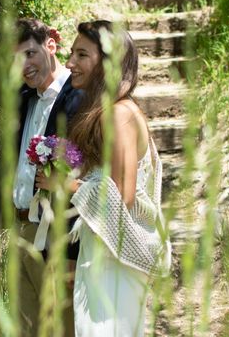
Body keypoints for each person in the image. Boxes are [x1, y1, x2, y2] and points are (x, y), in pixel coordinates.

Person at [37, 20, 171, 336]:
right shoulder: (109, 111)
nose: (70, 64)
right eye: (71, 54)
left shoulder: (121, 114)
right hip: (104, 248)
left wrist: (65, 185)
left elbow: (122, 196)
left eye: (82, 55)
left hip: (116, 257)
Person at [0, 18, 83, 337]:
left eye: (31, 54)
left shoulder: (76, 96)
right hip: (20, 230)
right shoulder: (23, 94)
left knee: (62, 329)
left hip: (58, 236)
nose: (24, 65)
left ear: (52, 46)